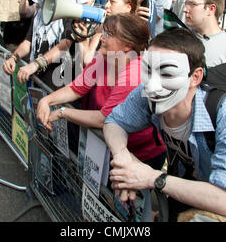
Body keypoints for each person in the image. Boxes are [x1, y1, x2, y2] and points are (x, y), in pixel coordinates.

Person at [104, 28, 226, 221]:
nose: (153, 85)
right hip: (187, 188)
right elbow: (114, 121)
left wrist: (151, 178)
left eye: (167, 74)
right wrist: (124, 159)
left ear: (195, 77)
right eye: (148, 70)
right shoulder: (147, 92)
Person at [37, 14, 167, 170]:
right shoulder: (102, 58)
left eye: (108, 35)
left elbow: (104, 119)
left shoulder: (135, 71)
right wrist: (46, 101)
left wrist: (62, 112)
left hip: (140, 156)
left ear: (127, 45)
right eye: (103, 33)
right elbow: (76, 88)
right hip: (110, 147)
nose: (102, 38)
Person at [2, 0, 74, 90]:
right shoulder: (39, 12)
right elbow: (28, 41)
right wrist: (14, 57)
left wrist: (36, 64)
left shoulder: (70, 12)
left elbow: (64, 45)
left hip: (59, 83)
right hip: (38, 80)